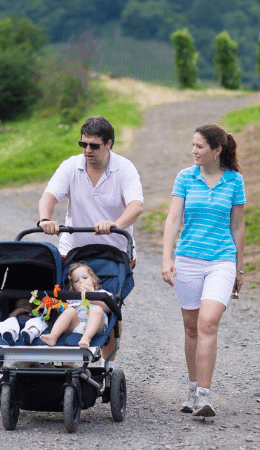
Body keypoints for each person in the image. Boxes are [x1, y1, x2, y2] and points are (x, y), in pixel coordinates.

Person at [38, 115, 143, 368]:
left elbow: (136, 205)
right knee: (67, 302)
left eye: (94, 146)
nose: (87, 150)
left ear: (109, 144)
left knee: (110, 303)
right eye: (83, 144)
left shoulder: (124, 168)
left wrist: (115, 224)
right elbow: (50, 195)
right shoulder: (71, 166)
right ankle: (66, 361)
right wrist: (45, 219)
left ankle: (109, 365)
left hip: (114, 250)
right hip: (74, 251)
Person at [161, 123, 245, 418]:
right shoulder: (185, 177)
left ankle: (204, 396)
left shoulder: (234, 181)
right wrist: (166, 258)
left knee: (208, 323)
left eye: (199, 146)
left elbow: (237, 225)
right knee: (192, 327)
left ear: (217, 150)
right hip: (188, 260)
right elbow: (172, 220)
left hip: (222, 259)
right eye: (193, 145)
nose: (193, 151)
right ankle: (192, 386)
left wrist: (239, 268)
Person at [39, 262, 112, 347]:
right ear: (73, 286)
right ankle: (53, 336)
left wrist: (91, 295)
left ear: (93, 278)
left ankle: (86, 338)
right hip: (77, 324)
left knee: (96, 309)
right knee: (69, 311)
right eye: (76, 281)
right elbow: (66, 311)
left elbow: (109, 308)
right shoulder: (73, 297)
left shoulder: (101, 293)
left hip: (96, 325)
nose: (81, 281)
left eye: (85, 278)